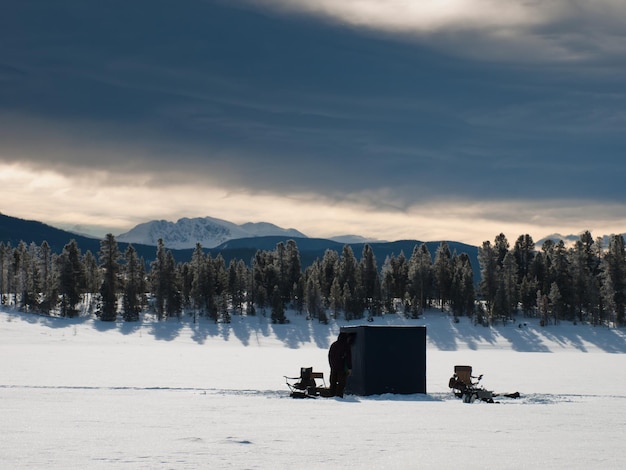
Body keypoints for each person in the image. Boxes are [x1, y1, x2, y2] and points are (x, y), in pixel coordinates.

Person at [328, 332, 352, 397]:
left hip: (333, 366)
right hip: (342, 367)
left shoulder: (334, 344)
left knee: (333, 381)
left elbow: (330, 356)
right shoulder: (346, 346)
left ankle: (332, 394)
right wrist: (350, 368)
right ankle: (339, 395)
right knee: (341, 382)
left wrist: (331, 365)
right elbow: (348, 358)